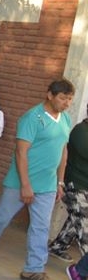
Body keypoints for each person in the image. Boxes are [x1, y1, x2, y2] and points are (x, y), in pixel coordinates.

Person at [0, 80, 75, 280]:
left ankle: (33, 269)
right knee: (3, 216)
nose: (67, 103)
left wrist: (60, 182)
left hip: (47, 185)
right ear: (50, 95)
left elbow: (63, 151)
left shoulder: (66, 119)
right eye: (63, 98)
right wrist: (26, 185)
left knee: (41, 227)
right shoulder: (32, 117)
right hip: (20, 182)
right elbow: (21, 152)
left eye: (70, 99)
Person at [52, 108, 88, 264]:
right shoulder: (81, 131)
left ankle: (58, 247)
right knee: (84, 226)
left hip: (84, 186)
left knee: (77, 219)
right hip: (74, 185)